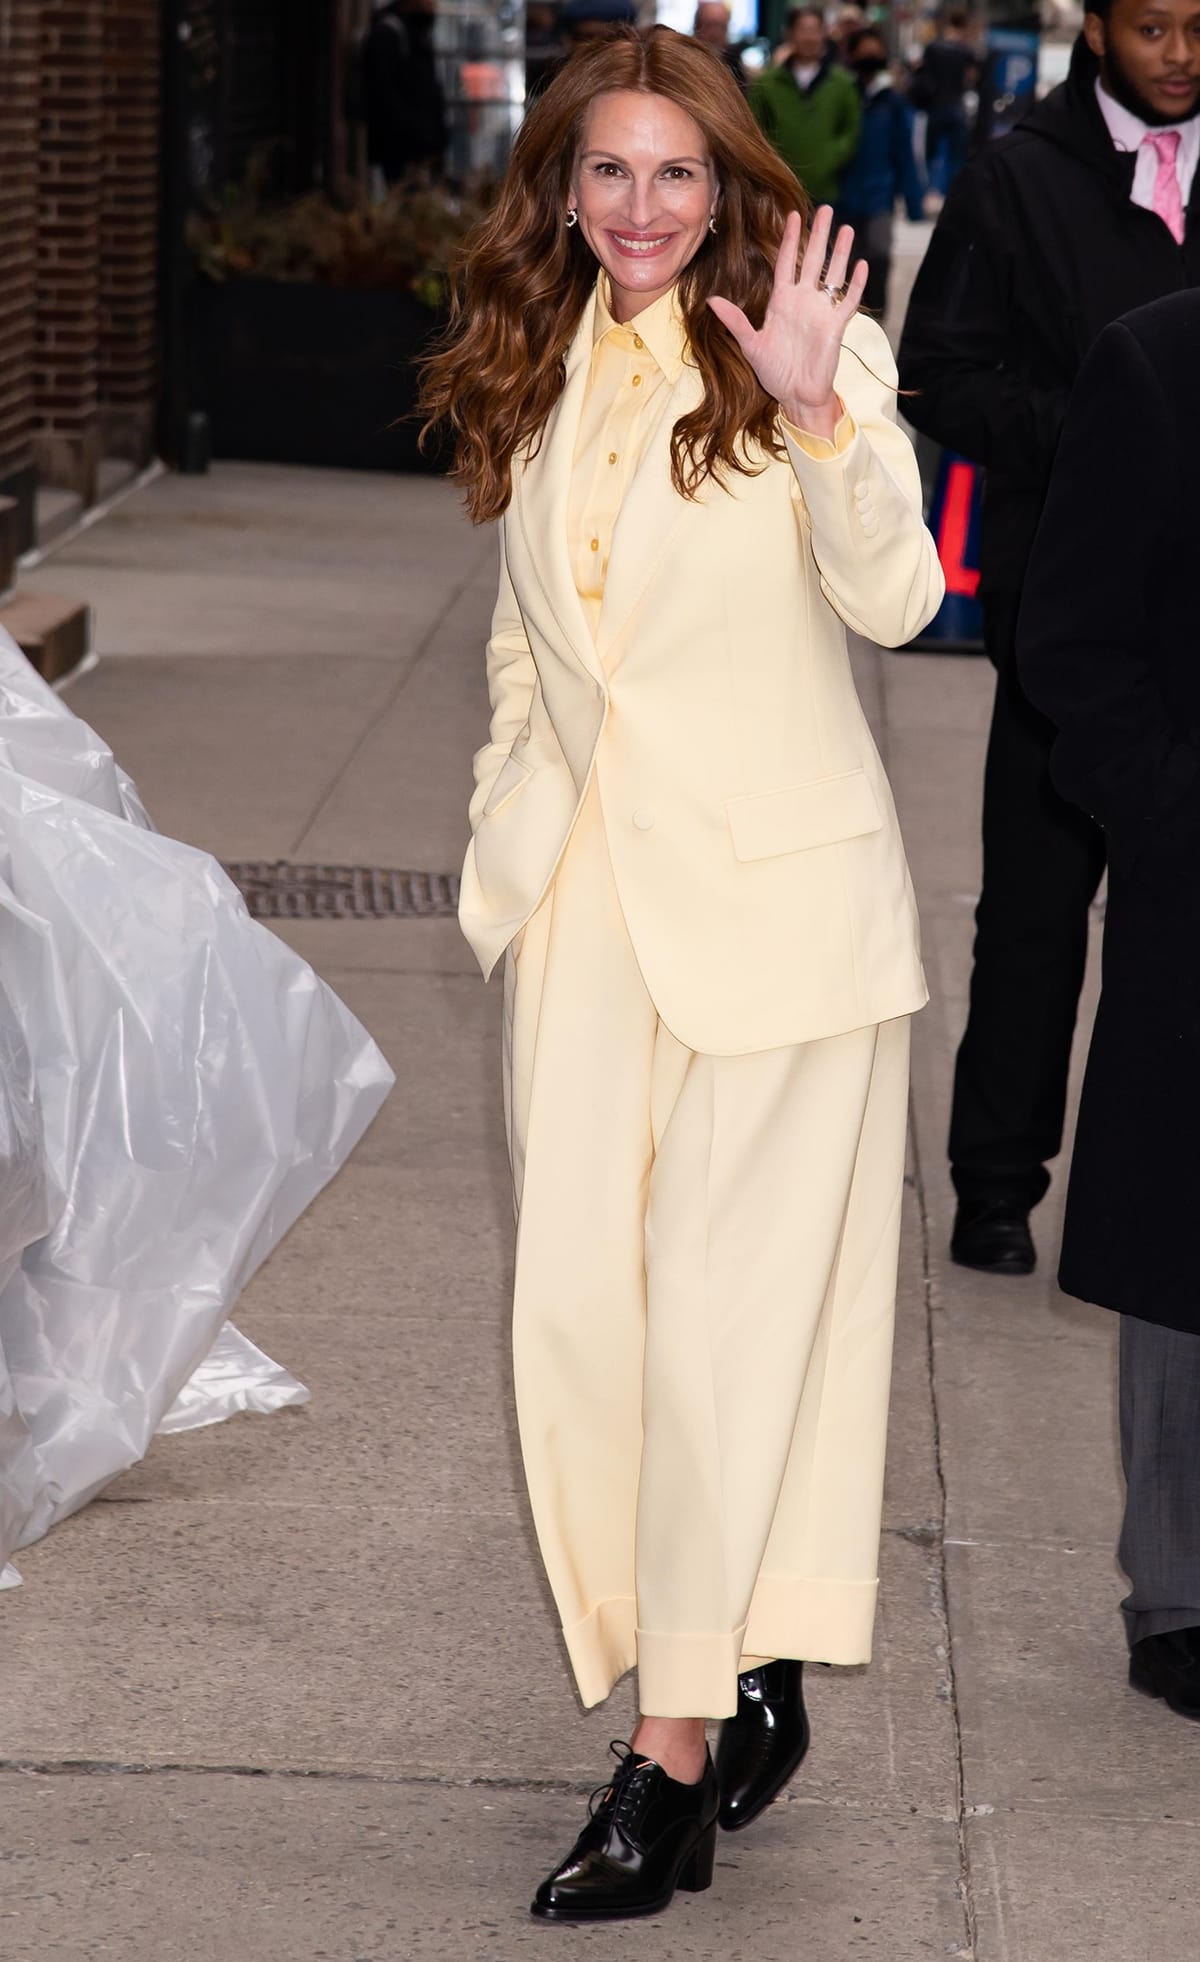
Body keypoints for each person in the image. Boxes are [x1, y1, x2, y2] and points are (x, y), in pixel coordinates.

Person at [421, 22, 943, 1925]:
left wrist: (819, 424)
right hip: (585, 928)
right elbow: (525, 639)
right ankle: (744, 1655)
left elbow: (900, 596)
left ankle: (673, 1750)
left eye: (678, 173)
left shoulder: (803, 351)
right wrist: (505, 852)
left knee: (721, 1347)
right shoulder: (538, 365)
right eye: (610, 172)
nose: (643, 207)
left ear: (729, 189)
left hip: (781, 933)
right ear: (564, 189)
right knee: (581, 1331)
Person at [897, 6, 1200, 1278]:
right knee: (1033, 910)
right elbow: (939, 369)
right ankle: (997, 1183)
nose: (1180, 53)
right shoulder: (1021, 171)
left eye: (1199, 26)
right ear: (1098, 29)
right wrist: (1098, 429)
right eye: (1152, 26)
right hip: (1062, 611)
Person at [1017, 289, 1200, 1722]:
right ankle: (1182, 1593)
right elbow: (1073, 641)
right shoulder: (1154, 363)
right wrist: (1171, 815)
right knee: (1188, 1261)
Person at [837, 27, 926, 313]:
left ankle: (875, 321)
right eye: (863, 52)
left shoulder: (893, 103)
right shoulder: (841, 96)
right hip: (841, 195)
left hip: (879, 197)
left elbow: (905, 153)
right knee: (841, 261)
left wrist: (914, 203)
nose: (869, 58)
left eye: (875, 52)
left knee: (877, 258)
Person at [751, 6, 863, 205]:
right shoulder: (767, 84)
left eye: (815, 30)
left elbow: (851, 131)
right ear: (790, 34)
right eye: (803, 30)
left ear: (824, 34)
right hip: (780, 191)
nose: (809, 37)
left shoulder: (843, 84)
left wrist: (830, 158)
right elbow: (755, 131)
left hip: (829, 192)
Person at [363, 0, 448, 185]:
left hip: (420, 146)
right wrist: (415, 135)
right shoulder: (391, 32)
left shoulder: (416, 33)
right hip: (403, 149)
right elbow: (385, 96)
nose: (433, 5)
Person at [909, 8, 977, 195]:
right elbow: (971, 78)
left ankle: (930, 192)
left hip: (935, 106)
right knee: (956, 156)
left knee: (931, 154)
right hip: (956, 106)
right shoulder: (965, 51)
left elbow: (921, 71)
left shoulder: (933, 48)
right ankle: (951, 193)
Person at [693, 0, 746, 87]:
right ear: (697, 27)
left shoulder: (734, 61)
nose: (715, 33)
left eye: (721, 26)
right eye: (710, 25)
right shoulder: (687, 60)